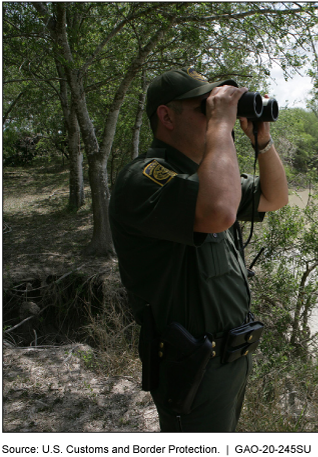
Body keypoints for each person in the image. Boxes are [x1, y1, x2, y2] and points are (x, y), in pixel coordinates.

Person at [108, 67, 288, 432]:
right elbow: (219, 211)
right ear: (166, 115)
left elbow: (274, 197)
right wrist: (221, 124)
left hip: (231, 360)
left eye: (214, 109)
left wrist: (261, 142)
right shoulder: (144, 177)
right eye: (203, 108)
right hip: (192, 365)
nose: (213, 116)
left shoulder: (208, 176)